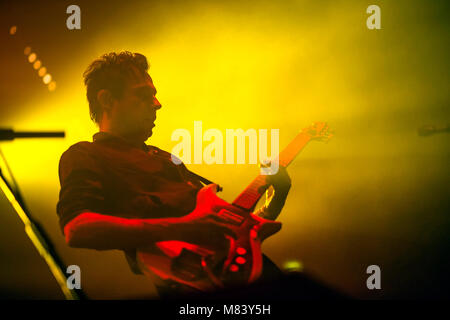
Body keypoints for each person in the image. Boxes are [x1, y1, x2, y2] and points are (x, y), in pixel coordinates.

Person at [56, 51, 293, 299]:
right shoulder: (85, 154)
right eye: (143, 94)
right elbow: (77, 228)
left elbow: (232, 231)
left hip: (253, 270)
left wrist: (277, 197)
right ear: (106, 100)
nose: (157, 103)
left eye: (155, 95)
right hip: (194, 281)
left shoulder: (166, 157)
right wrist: (183, 228)